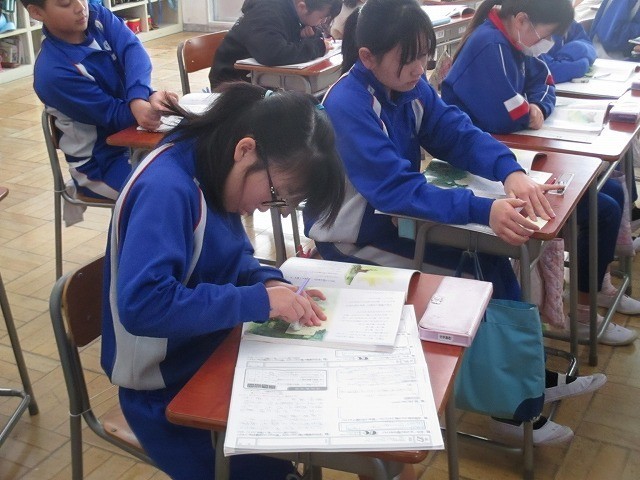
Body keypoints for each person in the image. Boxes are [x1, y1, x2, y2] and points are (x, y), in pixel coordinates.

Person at [306, 0, 607, 448]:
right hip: (353, 238)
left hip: (393, 223)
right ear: (367, 57)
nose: (420, 69)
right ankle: (509, 408)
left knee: (493, 264)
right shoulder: (348, 103)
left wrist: (509, 171)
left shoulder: (407, 87)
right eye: (409, 59)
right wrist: (483, 210)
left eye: (425, 56)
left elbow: (455, 132)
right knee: (478, 272)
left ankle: (523, 379)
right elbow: (395, 190)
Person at [100, 82, 345, 479]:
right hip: (167, 394)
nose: (273, 211)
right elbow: (144, 305)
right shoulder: (167, 189)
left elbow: (234, 259)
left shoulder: (214, 165)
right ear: (246, 149)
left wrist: (268, 283)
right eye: (276, 195)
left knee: (307, 419)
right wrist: (257, 301)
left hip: (213, 355)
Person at [442, 0, 639, 344]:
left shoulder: (515, 41)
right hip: (483, 168)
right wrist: (529, 108)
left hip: (512, 156)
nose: (545, 44)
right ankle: (582, 311)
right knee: (602, 208)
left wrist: (538, 107)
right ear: (522, 20)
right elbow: (506, 115)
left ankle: (595, 289)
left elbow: (545, 81)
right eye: (545, 36)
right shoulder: (489, 45)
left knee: (610, 192)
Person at [21, 0, 175, 203]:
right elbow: (114, 116)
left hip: (135, 139)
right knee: (169, 195)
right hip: (99, 166)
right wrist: (149, 106)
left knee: (201, 169)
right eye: (65, 3)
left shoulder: (96, 15)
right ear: (36, 12)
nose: (80, 7)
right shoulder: (53, 72)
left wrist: (142, 96)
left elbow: (133, 50)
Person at [209, 0, 342, 88]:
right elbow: (273, 54)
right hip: (231, 83)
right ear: (302, 7)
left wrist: (307, 37)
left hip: (261, 79)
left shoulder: (293, 11)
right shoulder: (267, 12)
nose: (322, 22)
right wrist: (318, 47)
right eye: (321, 18)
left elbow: (311, 33)